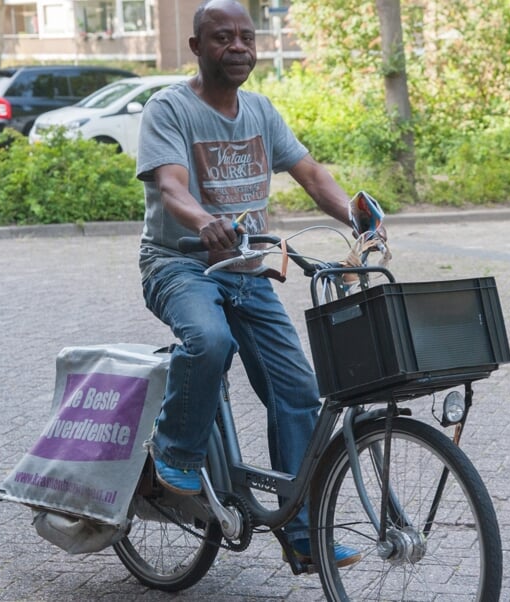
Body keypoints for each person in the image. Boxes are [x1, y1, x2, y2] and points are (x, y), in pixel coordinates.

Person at [135, 0, 361, 567]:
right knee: (210, 341)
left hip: (247, 268)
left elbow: (309, 174)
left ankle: (302, 531)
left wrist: (358, 217)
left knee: (299, 391)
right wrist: (202, 221)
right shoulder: (169, 109)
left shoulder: (260, 110)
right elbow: (171, 187)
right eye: (222, 38)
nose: (237, 47)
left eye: (246, 37)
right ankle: (176, 450)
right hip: (178, 262)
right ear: (196, 47)